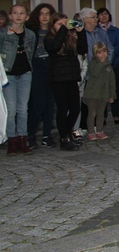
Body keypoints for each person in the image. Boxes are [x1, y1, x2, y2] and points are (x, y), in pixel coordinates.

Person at [45, 13, 87, 151]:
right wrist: (63, 29)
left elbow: (82, 49)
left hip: (71, 77)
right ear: (53, 26)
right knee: (62, 109)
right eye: (59, 24)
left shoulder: (70, 38)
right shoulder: (49, 39)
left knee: (75, 108)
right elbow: (54, 48)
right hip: (58, 78)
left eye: (65, 23)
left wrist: (81, 33)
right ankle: (64, 138)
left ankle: (66, 133)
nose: (63, 26)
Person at [1, 4, 36, 154]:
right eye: (15, 13)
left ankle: (23, 138)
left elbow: (31, 52)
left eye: (22, 13)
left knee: (23, 108)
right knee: (11, 109)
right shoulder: (3, 34)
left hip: (25, 73)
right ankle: (12, 140)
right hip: (9, 74)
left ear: (26, 17)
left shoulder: (30, 35)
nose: (18, 16)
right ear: (10, 16)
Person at [25, 3, 57, 149]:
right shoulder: (31, 32)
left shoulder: (54, 32)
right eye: (41, 13)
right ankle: (30, 135)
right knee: (37, 104)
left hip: (51, 66)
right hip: (37, 66)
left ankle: (46, 136)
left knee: (50, 103)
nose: (44, 16)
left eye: (47, 13)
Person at [83, 42, 116, 141]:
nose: (102, 55)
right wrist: (102, 63)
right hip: (92, 94)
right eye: (99, 53)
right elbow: (95, 73)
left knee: (101, 113)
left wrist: (112, 95)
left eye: (104, 52)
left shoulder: (109, 66)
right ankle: (91, 131)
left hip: (103, 94)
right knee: (92, 113)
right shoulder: (93, 63)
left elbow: (112, 82)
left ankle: (100, 130)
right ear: (95, 54)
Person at [97, 7, 119, 124]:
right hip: (100, 65)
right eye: (101, 14)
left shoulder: (115, 30)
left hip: (114, 64)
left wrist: (110, 58)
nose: (104, 16)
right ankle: (103, 115)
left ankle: (116, 114)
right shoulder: (96, 30)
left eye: (106, 14)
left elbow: (118, 46)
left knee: (115, 90)